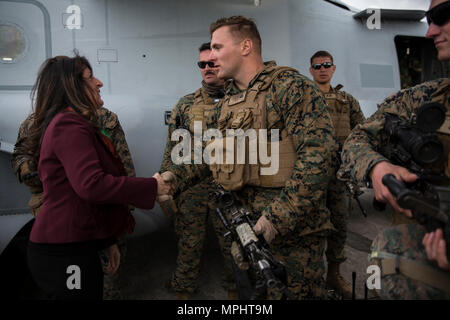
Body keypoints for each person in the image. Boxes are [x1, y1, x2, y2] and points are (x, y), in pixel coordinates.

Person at [164, 16, 337, 299]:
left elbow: (319, 161)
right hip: (245, 233)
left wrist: (275, 221)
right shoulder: (228, 103)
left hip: (292, 240)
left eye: (218, 47)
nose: (212, 55)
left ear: (245, 46)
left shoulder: (290, 88)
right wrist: (172, 178)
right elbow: (208, 154)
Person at [23, 54, 172, 300]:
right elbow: (91, 186)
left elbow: (79, 197)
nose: (99, 82)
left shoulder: (71, 123)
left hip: (78, 244)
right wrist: (152, 187)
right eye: (90, 77)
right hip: (64, 252)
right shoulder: (68, 125)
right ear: (72, 87)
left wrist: (104, 241)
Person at [339, 0, 450, 299]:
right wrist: (376, 167)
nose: (430, 32)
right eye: (428, 19)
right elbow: (357, 138)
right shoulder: (424, 99)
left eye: (441, 16)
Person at [12, 96, 135, 301]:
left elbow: (121, 162)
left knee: (108, 272)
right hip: (60, 210)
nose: (97, 85)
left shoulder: (105, 118)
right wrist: (30, 171)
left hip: (100, 203)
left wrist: (125, 206)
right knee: (71, 280)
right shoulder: (35, 122)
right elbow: (20, 156)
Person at [159, 42, 236, 300]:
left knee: (233, 244)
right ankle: (183, 291)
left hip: (229, 185)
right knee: (189, 243)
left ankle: (235, 291)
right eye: (201, 64)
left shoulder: (241, 101)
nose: (207, 68)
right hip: (192, 188)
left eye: (212, 63)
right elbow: (173, 147)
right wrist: (165, 186)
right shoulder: (186, 104)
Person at [309, 50, 366, 298]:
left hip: (339, 176)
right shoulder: (303, 100)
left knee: (339, 227)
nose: (322, 69)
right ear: (311, 71)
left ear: (333, 68)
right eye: (317, 66)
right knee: (311, 229)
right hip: (310, 177)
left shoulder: (347, 101)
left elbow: (361, 133)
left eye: (326, 65)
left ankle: (334, 274)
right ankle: (312, 279)